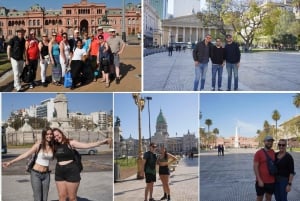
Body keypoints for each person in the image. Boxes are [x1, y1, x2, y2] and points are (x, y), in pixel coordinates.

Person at [52, 128, 112, 201]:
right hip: (59, 172)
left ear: (61, 133)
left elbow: (87, 145)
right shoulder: (55, 145)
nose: (56, 137)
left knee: (72, 198)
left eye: (57, 135)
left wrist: (102, 142)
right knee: (62, 197)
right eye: (54, 137)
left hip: (71, 171)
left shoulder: (70, 142)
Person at [3, 127, 54, 201]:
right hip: (36, 174)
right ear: (44, 135)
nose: (49, 136)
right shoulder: (38, 145)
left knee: (45, 198)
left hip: (46, 175)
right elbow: (25, 154)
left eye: (51, 134)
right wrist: (10, 162)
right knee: (38, 198)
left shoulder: (53, 146)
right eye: (47, 134)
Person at [253, 135, 276, 201]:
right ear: (264, 142)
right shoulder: (258, 153)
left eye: (271, 141)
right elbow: (255, 167)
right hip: (261, 181)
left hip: (271, 181)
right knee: (259, 198)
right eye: (268, 141)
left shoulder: (273, 152)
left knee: (269, 198)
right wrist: (259, 180)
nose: (270, 143)